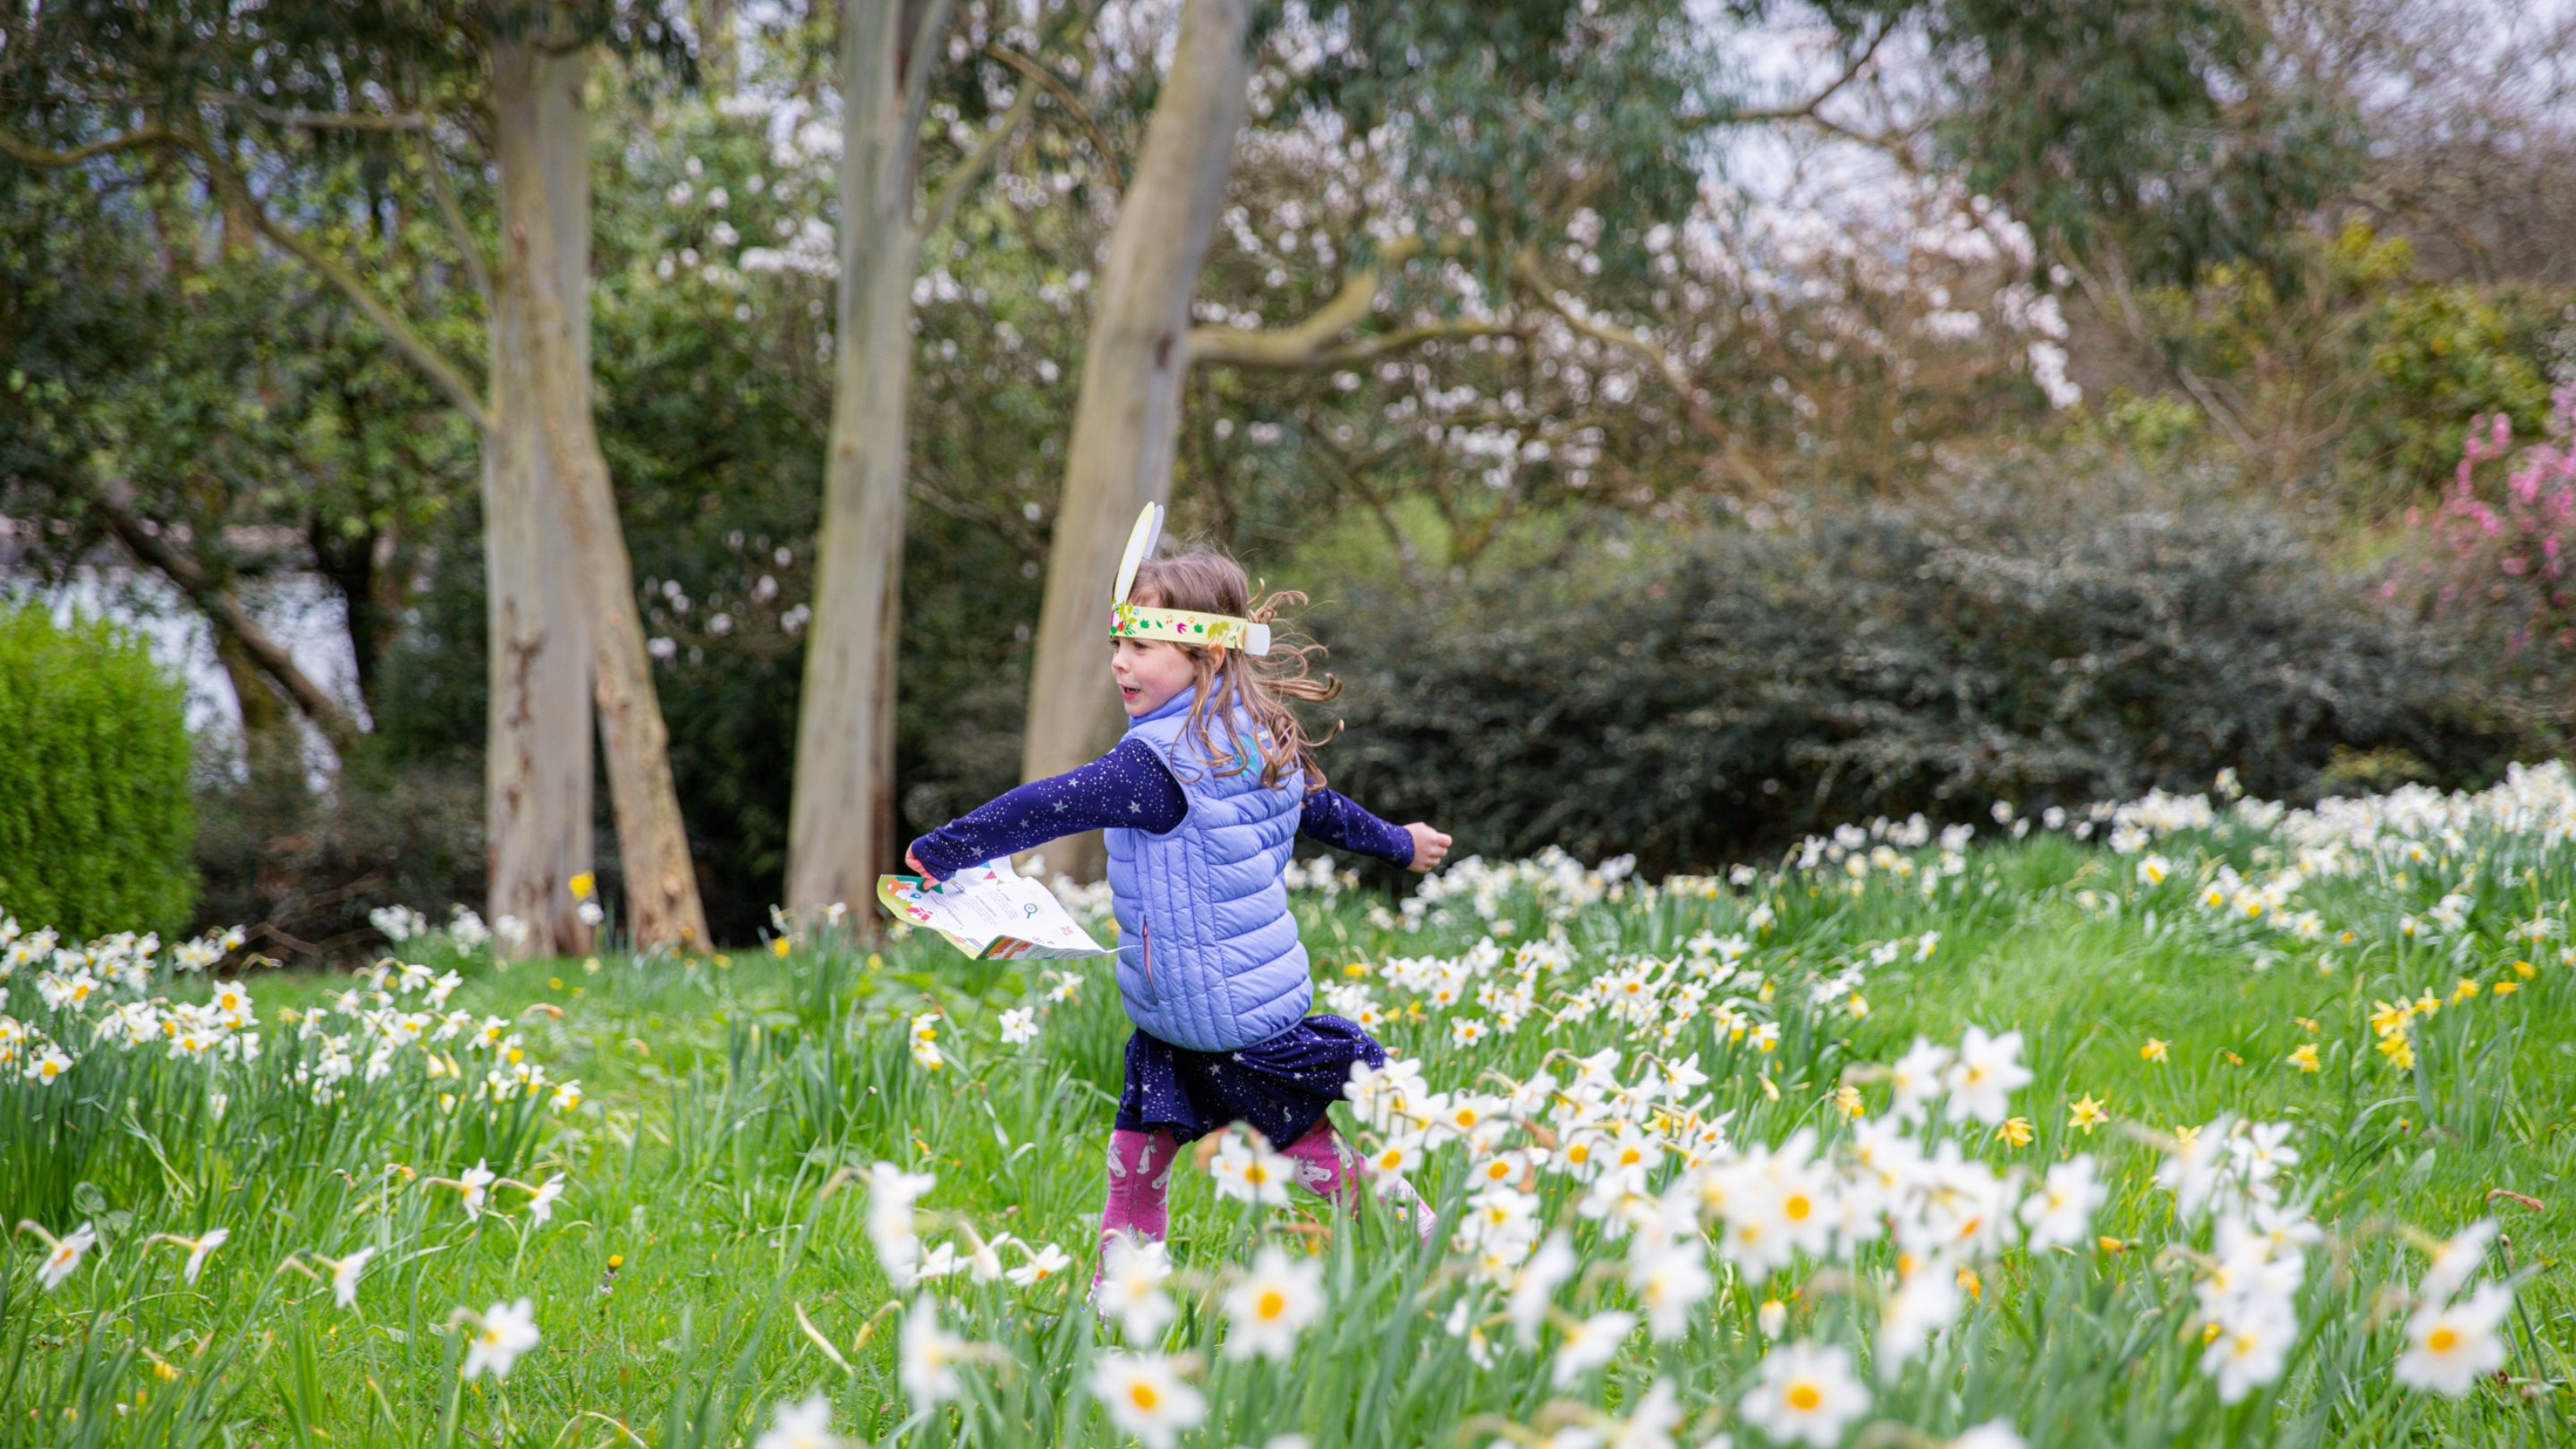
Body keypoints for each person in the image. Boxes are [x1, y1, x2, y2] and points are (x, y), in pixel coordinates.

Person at [903, 513, 1452, 1270]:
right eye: (1116, 646)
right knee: (1139, 1158)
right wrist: (1401, 842)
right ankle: (1117, 1301)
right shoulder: (1256, 734)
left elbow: (1047, 805)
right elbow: (1325, 810)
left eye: (1141, 647)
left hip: (1228, 1021)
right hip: (1193, 1014)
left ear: (1206, 654)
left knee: (1310, 1157)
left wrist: (941, 852)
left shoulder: (1155, 765)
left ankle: (1432, 1245)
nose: (1121, 666)